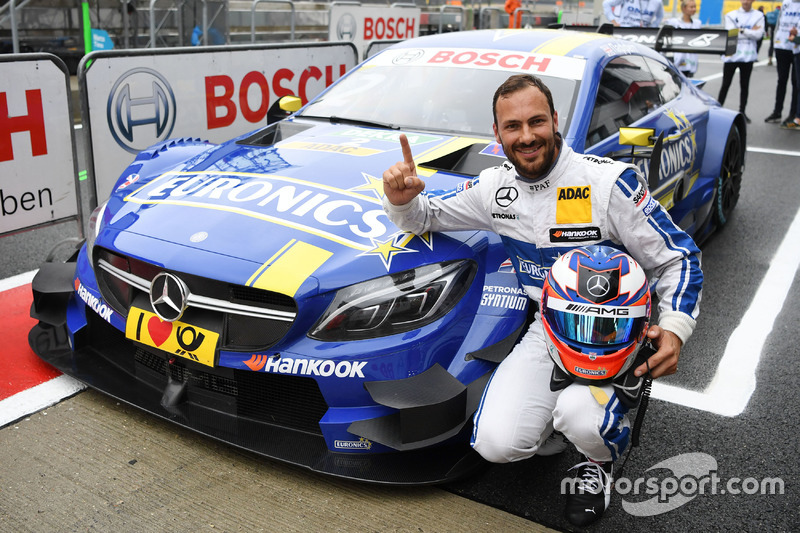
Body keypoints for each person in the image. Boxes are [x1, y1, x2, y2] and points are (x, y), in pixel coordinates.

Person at [382, 74, 703, 527]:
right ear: (498, 135)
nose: (527, 136)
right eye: (512, 126)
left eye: (537, 122)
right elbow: (426, 215)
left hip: (617, 337)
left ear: (555, 121)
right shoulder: (495, 189)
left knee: (583, 418)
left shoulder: (608, 183)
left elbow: (679, 257)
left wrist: (674, 328)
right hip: (549, 330)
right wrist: (400, 200)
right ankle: (560, 422)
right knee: (496, 442)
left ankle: (598, 463)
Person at [717, 0, 765, 124]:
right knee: (725, 83)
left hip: (748, 56)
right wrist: (749, 31)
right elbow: (731, 33)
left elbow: (759, 35)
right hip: (732, 55)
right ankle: (717, 108)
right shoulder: (731, 15)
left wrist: (742, 30)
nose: (746, 1)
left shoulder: (759, 15)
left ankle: (742, 111)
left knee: (745, 85)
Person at [765, 0, 800, 128]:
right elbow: (779, 22)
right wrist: (776, 41)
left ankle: (794, 114)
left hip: (796, 46)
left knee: (796, 83)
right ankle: (777, 111)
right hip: (782, 45)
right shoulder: (786, 2)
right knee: (781, 80)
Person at [666, 0, 702, 78]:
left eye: (695, 7)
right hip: (677, 60)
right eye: (691, 7)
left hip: (691, 60)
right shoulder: (674, 22)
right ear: (684, 8)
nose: (694, 9)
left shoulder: (697, 23)